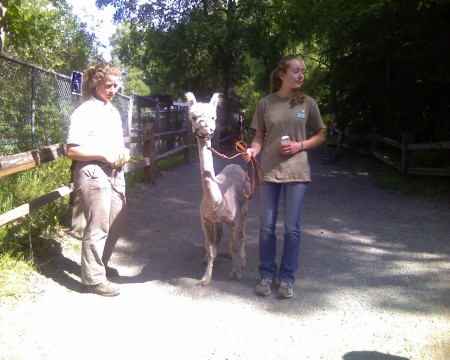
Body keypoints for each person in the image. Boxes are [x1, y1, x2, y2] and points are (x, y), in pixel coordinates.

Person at [244, 55, 325, 299]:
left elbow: (321, 135)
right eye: (296, 71)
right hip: (268, 171)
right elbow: (259, 137)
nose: (301, 75)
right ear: (282, 75)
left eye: (303, 71)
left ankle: (287, 279)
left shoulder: (307, 104)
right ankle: (267, 275)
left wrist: (300, 146)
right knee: (267, 227)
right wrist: (252, 150)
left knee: (292, 228)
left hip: (298, 172)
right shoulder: (265, 103)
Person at [66, 62, 129, 297]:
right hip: (92, 171)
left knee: (117, 222)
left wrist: (122, 155)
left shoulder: (111, 110)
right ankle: (93, 279)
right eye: (108, 86)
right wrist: (103, 154)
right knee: (98, 224)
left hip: (115, 171)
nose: (113, 90)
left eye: (115, 86)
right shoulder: (85, 111)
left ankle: (98, 265)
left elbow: (115, 143)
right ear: (95, 84)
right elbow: (72, 150)